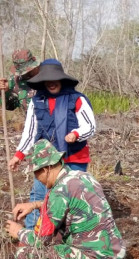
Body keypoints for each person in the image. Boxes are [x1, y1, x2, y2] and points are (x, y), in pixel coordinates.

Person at [5, 140, 125, 259]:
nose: (37, 178)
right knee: (56, 239)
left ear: (46, 169)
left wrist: (18, 232)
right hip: (112, 256)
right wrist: (34, 205)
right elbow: (71, 205)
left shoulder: (59, 192)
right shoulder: (82, 177)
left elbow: (40, 240)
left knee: (26, 255)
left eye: (36, 173)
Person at [8, 59, 96, 229]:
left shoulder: (77, 99)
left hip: (74, 160)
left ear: (61, 79)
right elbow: (30, 132)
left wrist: (76, 134)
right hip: (46, 162)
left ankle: (69, 235)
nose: (51, 83)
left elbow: (90, 126)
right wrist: (18, 155)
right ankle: (31, 238)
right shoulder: (36, 102)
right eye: (47, 80)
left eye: (54, 79)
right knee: (39, 196)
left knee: (71, 199)